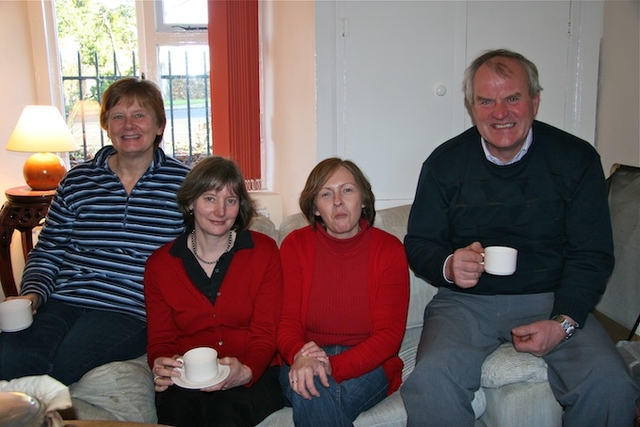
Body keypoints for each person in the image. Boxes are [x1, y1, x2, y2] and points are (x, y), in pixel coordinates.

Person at [401, 48, 640, 426]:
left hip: (551, 296)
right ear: (471, 106)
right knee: (430, 383)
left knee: (612, 386)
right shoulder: (444, 163)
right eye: (486, 101)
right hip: (465, 304)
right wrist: (449, 265)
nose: (500, 113)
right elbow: (419, 243)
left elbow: (591, 255)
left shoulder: (576, 160)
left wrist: (563, 322)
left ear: (535, 100)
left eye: (512, 97)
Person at [0, 77, 190, 385]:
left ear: (159, 126)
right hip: (64, 298)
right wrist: (32, 295)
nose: (129, 125)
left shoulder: (184, 185)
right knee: (10, 356)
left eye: (139, 115)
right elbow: (48, 249)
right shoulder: (78, 180)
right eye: (118, 116)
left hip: (129, 308)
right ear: (107, 125)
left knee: (61, 367)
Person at [145, 156, 284, 427]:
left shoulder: (264, 252)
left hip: (254, 373)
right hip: (188, 376)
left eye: (230, 201)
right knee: (177, 412)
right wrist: (161, 362)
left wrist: (246, 371)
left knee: (227, 413)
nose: (220, 211)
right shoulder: (159, 265)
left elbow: (266, 332)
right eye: (210, 198)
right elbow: (161, 339)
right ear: (190, 203)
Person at [277, 158, 409, 427]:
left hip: (370, 363)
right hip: (303, 357)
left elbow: (389, 336)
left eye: (347, 190)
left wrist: (331, 366)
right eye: (326, 194)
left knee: (312, 391)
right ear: (315, 208)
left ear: (363, 200)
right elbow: (285, 323)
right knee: (312, 386)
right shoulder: (295, 246)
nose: (337, 201)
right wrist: (301, 357)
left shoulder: (389, 250)